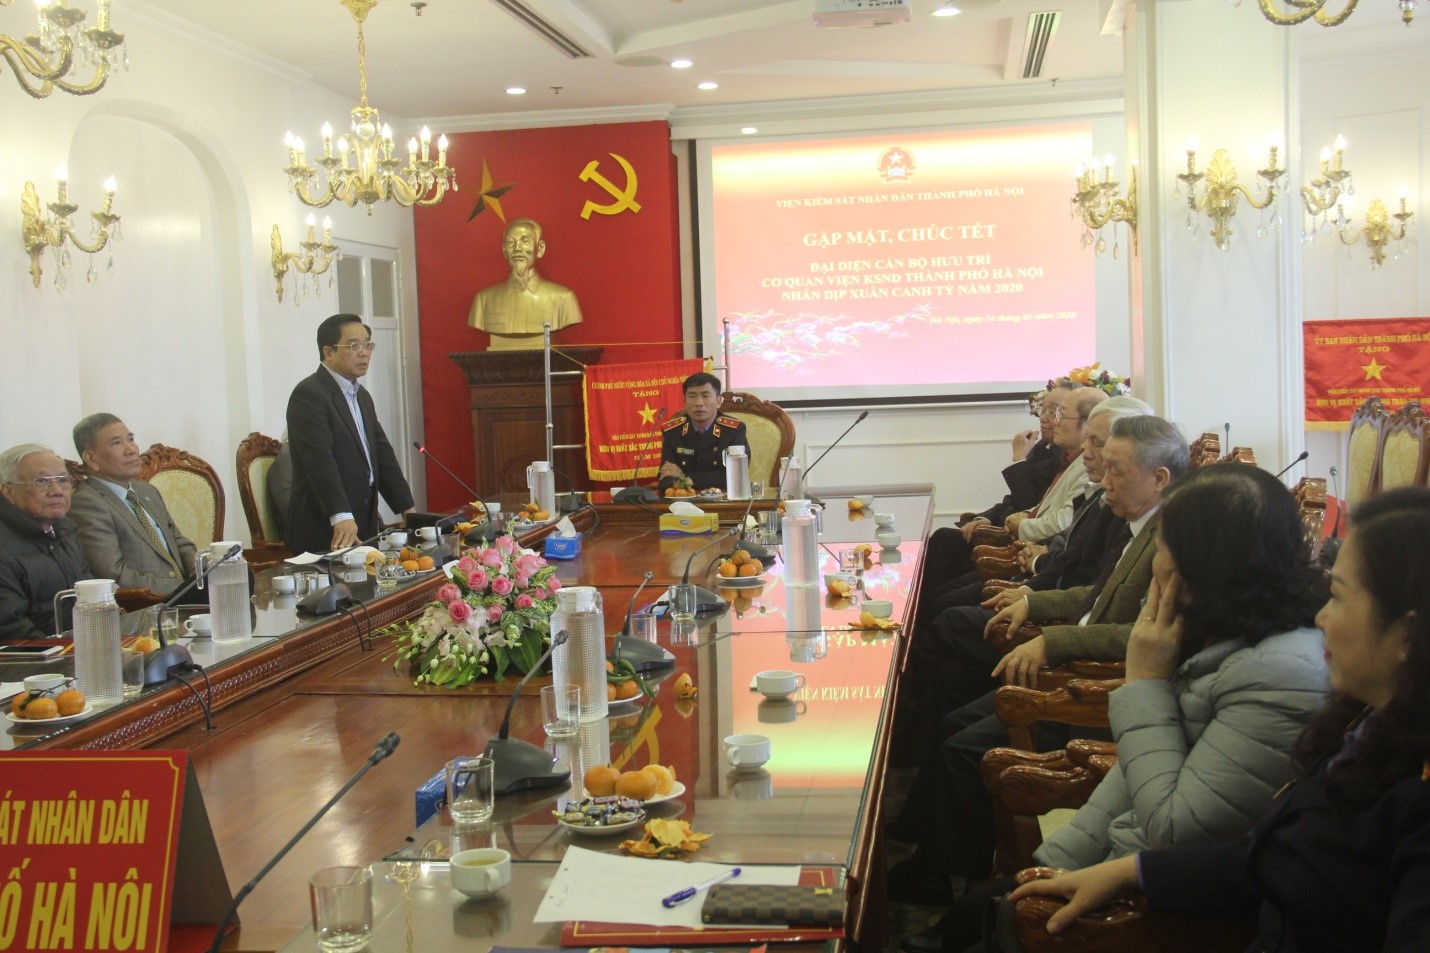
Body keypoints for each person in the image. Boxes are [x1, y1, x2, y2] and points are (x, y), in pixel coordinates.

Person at [903, 463, 1330, 953]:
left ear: (1204, 564)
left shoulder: (1279, 675)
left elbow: (1171, 830)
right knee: (970, 919)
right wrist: (1050, 864)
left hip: (1154, 900)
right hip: (1119, 860)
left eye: (1165, 547)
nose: (1156, 563)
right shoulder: (1218, 630)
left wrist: (1145, 683)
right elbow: (1131, 775)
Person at [1009, 486, 1430, 953]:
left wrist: (1143, 685)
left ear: (1407, 636)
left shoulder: (1408, 782)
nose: (1323, 617)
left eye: (1339, 596)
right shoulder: (1366, 719)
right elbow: (1271, 853)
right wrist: (1130, 871)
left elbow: (1179, 829)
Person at [888, 415, 1189, 906]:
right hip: (1070, 657)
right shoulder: (1138, 520)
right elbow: (1094, 596)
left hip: (1094, 691)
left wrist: (1052, 641)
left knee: (965, 746)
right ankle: (926, 848)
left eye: (1116, 469)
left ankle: (947, 881)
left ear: (1159, 478)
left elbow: (1141, 633)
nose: (1103, 480)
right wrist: (1033, 604)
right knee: (956, 717)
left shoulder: (1171, 535)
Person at [892, 396, 1151, 768]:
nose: (1089, 454)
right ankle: (907, 742)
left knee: (946, 619)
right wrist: (1031, 587)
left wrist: (1036, 598)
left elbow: (1092, 587)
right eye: (1047, 411)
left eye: (1099, 446)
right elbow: (1081, 569)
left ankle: (902, 725)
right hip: (1048, 597)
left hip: (1078, 654)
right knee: (951, 667)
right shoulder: (1103, 489)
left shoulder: (1144, 522)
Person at [916, 381, 1081, 609]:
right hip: (1009, 529)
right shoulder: (1046, 447)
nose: (1045, 418)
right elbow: (1013, 501)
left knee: (941, 595)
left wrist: (1019, 459)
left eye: (1055, 412)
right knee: (943, 543)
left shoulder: (1069, 459)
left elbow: (1029, 503)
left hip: (1019, 545)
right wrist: (984, 517)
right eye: (1043, 409)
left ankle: (918, 615)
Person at [285, 313, 415, 554]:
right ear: (328, 352)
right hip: (326, 527)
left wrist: (407, 508)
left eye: (368, 345)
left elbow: (382, 455)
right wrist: (340, 515)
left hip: (364, 521)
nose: (364, 353)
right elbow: (318, 460)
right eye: (354, 346)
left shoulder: (362, 396)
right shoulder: (310, 394)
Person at [68, 413, 197, 596]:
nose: (131, 450)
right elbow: (115, 576)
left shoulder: (146, 491)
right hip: (148, 605)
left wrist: (199, 573)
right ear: (91, 459)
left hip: (187, 594)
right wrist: (183, 589)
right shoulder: (87, 503)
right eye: (116, 443)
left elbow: (178, 541)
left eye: (130, 439)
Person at [0, 444, 91, 641]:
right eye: (41, 481)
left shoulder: (66, 530)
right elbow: (11, 630)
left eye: (62, 480)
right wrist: (70, 651)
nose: (57, 491)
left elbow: (90, 593)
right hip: (41, 655)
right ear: (8, 492)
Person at [467, 218, 583, 350]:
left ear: (540, 248)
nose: (517, 248)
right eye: (511, 242)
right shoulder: (483, 301)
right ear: (504, 250)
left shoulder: (563, 298)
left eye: (525, 241)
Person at [657, 372, 750, 492]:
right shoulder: (672, 432)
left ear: (718, 401)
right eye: (692, 396)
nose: (699, 403)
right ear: (685, 402)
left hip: (722, 498)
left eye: (705, 396)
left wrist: (683, 477)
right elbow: (665, 478)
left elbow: (735, 476)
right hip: (684, 499)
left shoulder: (734, 430)